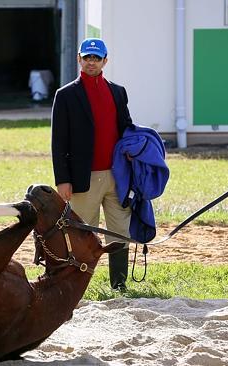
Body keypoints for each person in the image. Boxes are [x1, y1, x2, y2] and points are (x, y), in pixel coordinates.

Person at [51, 38, 134, 291]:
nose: (91, 62)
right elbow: (58, 141)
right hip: (83, 177)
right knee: (80, 234)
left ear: (105, 61)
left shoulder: (118, 91)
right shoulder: (65, 95)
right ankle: (72, 286)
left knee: (120, 231)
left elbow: (127, 129)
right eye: (87, 57)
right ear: (79, 59)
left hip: (118, 176)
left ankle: (119, 286)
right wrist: (62, 180)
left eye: (96, 58)